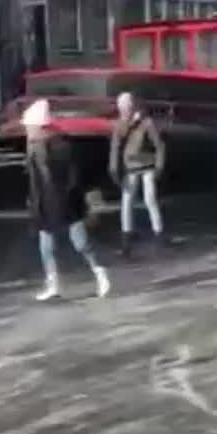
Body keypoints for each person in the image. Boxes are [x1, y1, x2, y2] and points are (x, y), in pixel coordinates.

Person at [23, 99, 110, 301]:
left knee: (72, 244)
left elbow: (51, 180)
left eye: (29, 126)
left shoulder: (49, 147)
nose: (27, 130)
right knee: (54, 246)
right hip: (55, 203)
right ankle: (59, 283)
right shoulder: (45, 147)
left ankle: (95, 274)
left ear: (39, 126)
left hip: (58, 203)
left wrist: (37, 205)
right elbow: (41, 181)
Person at [108, 91, 166, 257]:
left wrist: (159, 166)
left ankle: (159, 235)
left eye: (125, 108)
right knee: (126, 202)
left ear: (131, 107)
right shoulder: (120, 124)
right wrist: (113, 168)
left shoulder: (147, 123)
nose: (122, 111)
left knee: (150, 200)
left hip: (147, 165)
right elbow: (115, 147)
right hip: (130, 166)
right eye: (121, 109)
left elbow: (159, 146)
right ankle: (126, 241)